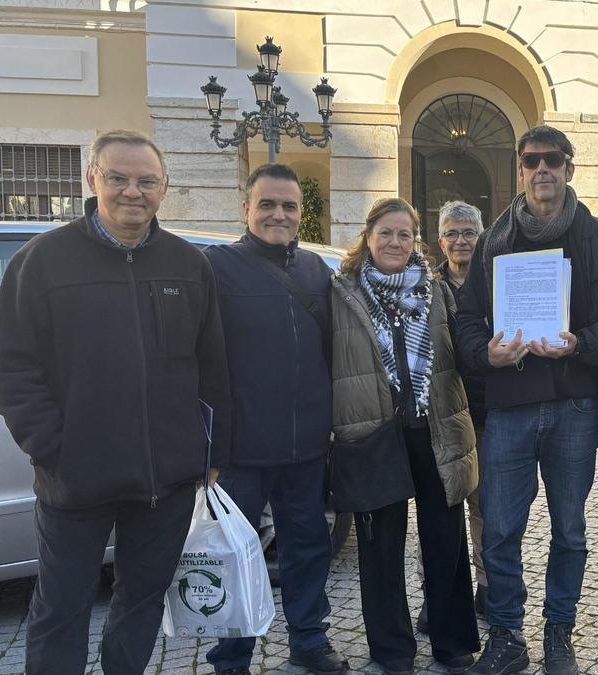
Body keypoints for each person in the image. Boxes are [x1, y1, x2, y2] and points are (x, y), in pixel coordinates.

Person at [0, 129, 230, 675]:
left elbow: (212, 370)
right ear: (92, 180)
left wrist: (210, 451)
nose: (131, 192)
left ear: (165, 188)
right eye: (118, 178)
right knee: (61, 609)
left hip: (164, 483)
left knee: (140, 604)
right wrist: (53, 447)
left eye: (145, 181)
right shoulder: (42, 261)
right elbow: (6, 368)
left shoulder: (190, 265)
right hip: (75, 481)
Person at [455, 125, 598, 675]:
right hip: (510, 405)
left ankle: (559, 633)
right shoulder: (495, 240)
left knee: (569, 527)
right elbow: (466, 320)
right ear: (520, 170)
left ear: (568, 168)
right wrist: (483, 354)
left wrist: (581, 345)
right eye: (532, 161)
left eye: (553, 161)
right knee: (500, 528)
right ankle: (507, 636)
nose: (543, 170)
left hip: (577, 406)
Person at [203, 163, 347, 675]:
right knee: (237, 557)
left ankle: (309, 641)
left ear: (301, 214)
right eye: (267, 204)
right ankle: (231, 655)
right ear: (246, 209)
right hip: (240, 449)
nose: (277, 214)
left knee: (307, 550)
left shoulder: (315, 271)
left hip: (306, 444)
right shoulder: (216, 266)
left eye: (288, 206)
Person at [331, 197, 480, 675]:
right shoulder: (342, 291)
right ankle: (392, 650)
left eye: (404, 234)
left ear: (415, 241)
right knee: (380, 547)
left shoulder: (436, 290)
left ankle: (452, 640)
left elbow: (464, 351)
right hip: (373, 432)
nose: (395, 242)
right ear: (368, 237)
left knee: (446, 538)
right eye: (386, 233)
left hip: (434, 427)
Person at [434, 200, 489, 616]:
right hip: (441, 412)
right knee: (442, 506)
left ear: (481, 237)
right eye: (452, 233)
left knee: (485, 507)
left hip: (487, 409)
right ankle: (439, 592)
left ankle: (487, 586)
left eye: (468, 232)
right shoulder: (427, 286)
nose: (460, 240)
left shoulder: (494, 281)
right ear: (440, 241)